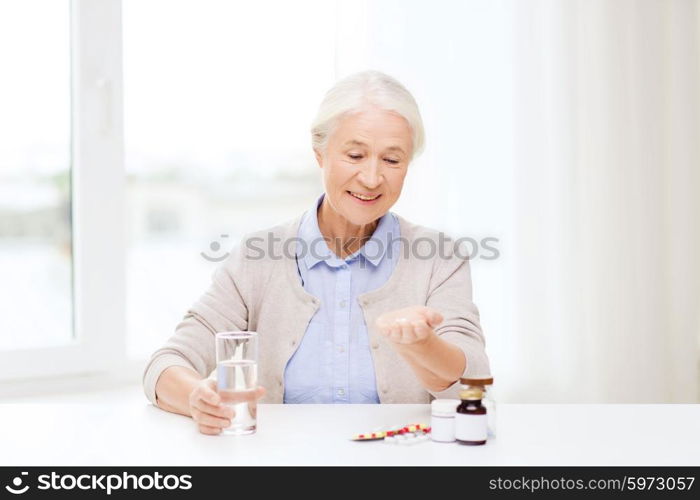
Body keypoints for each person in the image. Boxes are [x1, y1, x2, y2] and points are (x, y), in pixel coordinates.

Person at [143, 70, 491, 435]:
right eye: (355, 155)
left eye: (392, 160)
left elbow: (474, 376)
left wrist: (424, 345)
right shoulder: (257, 257)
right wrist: (197, 398)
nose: (372, 178)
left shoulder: (439, 258)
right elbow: (166, 364)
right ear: (320, 154)